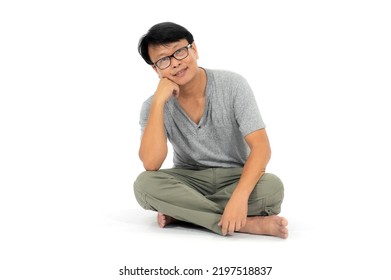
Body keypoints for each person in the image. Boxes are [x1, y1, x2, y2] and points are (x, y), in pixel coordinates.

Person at [133, 22, 288, 238]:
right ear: (155, 69)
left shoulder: (232, 85)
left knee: (273, 189)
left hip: (234, 177)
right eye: (164, 60)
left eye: (179, 52)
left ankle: (183, 213)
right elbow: (151, 163)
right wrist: (159, 102)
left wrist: (239, 198)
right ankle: (243, 224)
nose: (175, 63)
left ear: (194, 50)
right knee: (144, 185)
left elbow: (261, 148)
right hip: (189, 179)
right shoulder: (152, 106)